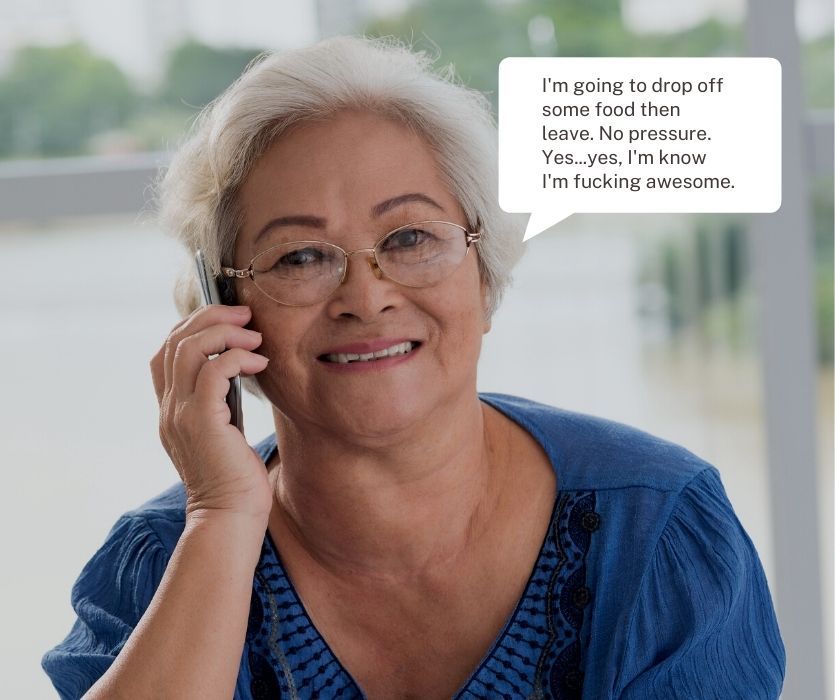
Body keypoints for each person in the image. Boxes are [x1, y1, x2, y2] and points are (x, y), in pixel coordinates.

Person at [42, 36, 785, 699]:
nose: (366, 297)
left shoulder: (658, 526)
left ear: (484, 278)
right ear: (222, 310)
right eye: (299, 257)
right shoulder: (160, 559)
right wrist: (221, 518)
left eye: (408, 238)